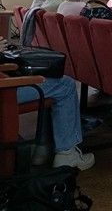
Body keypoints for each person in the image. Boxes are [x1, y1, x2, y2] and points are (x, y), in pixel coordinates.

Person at [1, 36, 95, 170]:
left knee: (51, 80)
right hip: (5, 90)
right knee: (65, 85)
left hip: (4, 83)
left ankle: (42, 148)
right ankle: (67, 153)